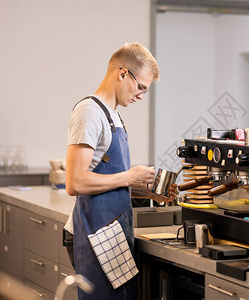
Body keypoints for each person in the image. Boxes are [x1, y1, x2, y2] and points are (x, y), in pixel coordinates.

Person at [64, 42, 176, 299]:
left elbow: (106, 178)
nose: (140, 96)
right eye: (141, 88)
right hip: (93, 234)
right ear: (123, 73)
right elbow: (75, 182)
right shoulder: (89, 112)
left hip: (110, 231)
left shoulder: (113, 115)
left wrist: (146, 191)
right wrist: (129, 175)